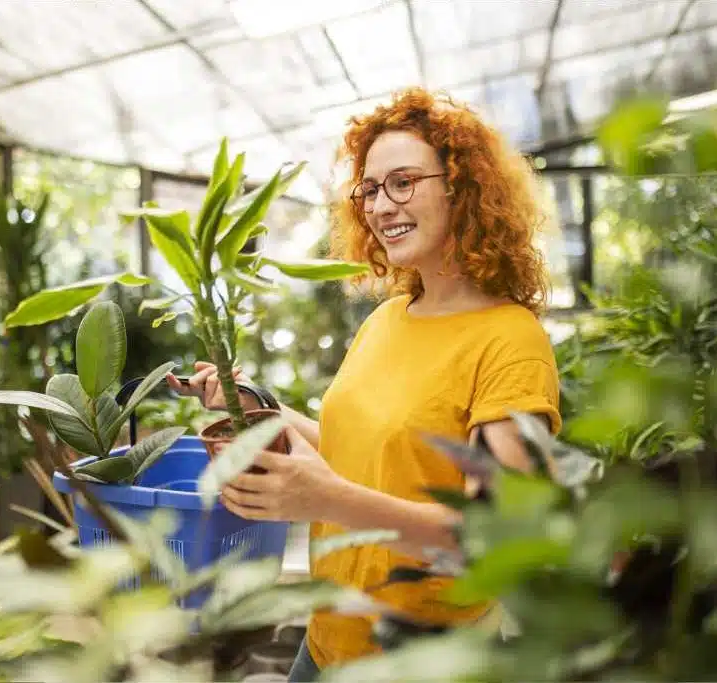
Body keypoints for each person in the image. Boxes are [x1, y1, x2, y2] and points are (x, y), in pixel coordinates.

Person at [167, 87, 561, 681]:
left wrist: (324, 500)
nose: (380, 206)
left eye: (403, 181)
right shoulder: (387, 319)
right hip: (327, 637)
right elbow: (357, 449)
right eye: (370, 189)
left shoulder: (510, 340)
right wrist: (257, 408)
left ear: (462, 186)